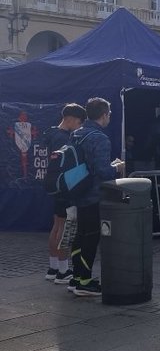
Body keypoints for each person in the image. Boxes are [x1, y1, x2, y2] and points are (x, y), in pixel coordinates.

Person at [68, 98, 124, 297]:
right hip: (93, 194)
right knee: (91, 237)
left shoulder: (77, 133)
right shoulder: (100, 138)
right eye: (109, 114)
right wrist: (117, 166)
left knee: (80, 235)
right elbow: (102, 171)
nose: (109, 117)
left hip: (76, 189)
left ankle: (76, 278)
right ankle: (85, 281)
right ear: (104, 115)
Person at [43, 103, 85, 283]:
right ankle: (63, 270)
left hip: (54, 185)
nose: (80, 127)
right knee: (66, 228)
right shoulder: (63, 139)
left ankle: (53, 268)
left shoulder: (51, 134)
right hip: (65, 187)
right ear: (70, 119)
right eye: (79, 122)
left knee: (57, 225)